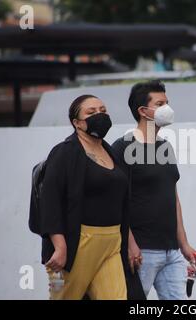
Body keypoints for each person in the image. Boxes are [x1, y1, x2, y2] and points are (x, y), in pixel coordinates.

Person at [112, 80, 196, 300]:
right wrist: (130, 244)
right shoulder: (122, 147)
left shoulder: (165, 147)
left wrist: (184, 244)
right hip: (142, 251)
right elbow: (116, 202)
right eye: (160, 103)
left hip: (171, 252)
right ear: (143, 111)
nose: (167, 109)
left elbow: (173, 197)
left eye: (167, 102)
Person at [33, 94, 128, 300]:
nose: (99, 115)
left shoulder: (111, 152)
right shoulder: (64, 152)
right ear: (77, 123)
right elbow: (51, 201)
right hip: (77, 243)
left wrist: (131, 242)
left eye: (103, 110)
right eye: (91, 112)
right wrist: (59, 246)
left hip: (112, 242)